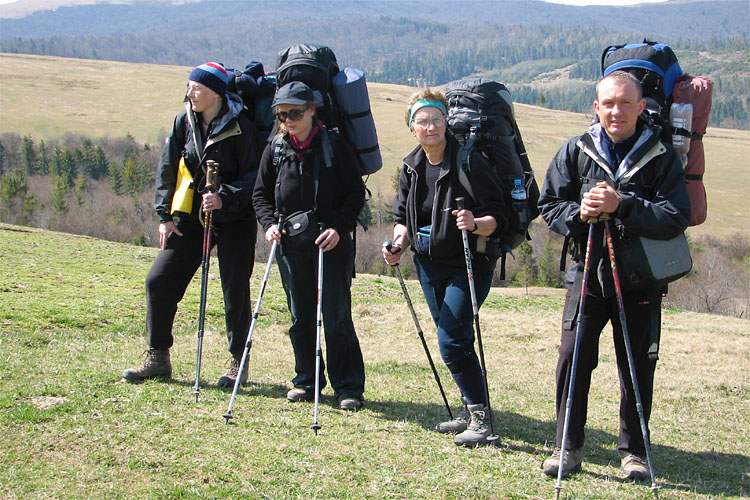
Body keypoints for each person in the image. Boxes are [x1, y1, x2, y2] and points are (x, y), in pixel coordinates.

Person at [538, 71, 690, 479]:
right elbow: (550, 204)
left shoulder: (660, 155)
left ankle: (634, 454)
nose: (616, 111)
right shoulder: (576, 149)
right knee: (573, 359)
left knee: (637, 365)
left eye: (625, 103)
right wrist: (580, 214)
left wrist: (623, 204)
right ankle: (566, 447)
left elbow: (676, 218)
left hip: (640, 280)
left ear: (642, 107)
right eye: (608, 103)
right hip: (587, 273)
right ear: (596, 107)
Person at [381, 89, 507, 447]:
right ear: (412, 128)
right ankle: (471, 410)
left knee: (451, 338)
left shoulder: (469, 161)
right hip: (427, 262)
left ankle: (481, 419)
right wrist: (398, 246)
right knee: (454, 337)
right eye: (423, 121)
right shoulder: (411, 167)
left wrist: (474, 221)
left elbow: (498, 216)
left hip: (470, 261)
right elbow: (402, 219)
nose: (431, 126)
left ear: (445, 121)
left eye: (437, 119)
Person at [123, 62, 260, 388]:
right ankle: (158, 356)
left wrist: (225, 197)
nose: (190, 93)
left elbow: (255, 179)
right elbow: (167, 168)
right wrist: (164, 217)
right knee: (159, 280)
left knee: (234, 290)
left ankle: (238, 362)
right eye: (189, 87)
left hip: (235, 220)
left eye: (196, 88)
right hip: (190, 218)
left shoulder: (242, 127)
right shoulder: (183, 122)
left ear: (215, 92)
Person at [252, 81, 366, 411]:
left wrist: (338, 229)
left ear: (312, 110)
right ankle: (306, 380)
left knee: (335, 316)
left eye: (295, 112)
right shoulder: (275, 148)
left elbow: (355, 195)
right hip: (290, 245)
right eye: (282, 113)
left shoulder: (334, 145)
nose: (288, 119)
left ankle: (348, 387)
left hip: (330, 245)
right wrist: (269, 224)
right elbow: (260, 194)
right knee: (300, 316)